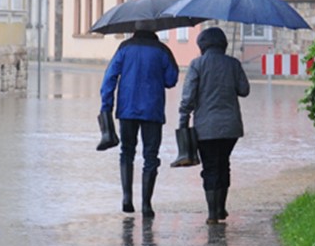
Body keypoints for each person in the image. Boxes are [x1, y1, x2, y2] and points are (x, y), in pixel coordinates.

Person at [100, 24, 179, 217]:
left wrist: (106, 106)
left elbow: (109, 78)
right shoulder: (162, 50)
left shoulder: (125, 48)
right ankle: (146, 204)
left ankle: (127, 197)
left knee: (127, 152)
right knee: (150, 156)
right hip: (152, 110)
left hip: (127, 109)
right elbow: (171, 79)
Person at [177, 27, 250, 225]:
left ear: (202, 45)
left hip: (205, 128)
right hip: (230, 128)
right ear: (224, 44)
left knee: (210, 167)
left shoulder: (196, 65)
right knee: (223, 164)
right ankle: (221, 207)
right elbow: (244, 90)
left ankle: (212, 212)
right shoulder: (233, 64)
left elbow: (188, 97)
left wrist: (183, 121)